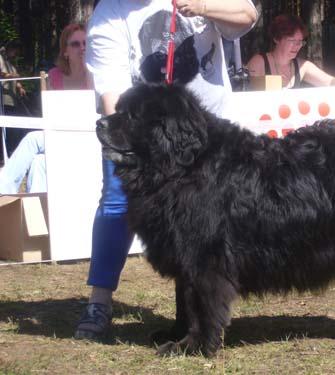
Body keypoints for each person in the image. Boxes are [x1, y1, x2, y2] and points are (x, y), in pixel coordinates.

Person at [74, 0, 257, 341]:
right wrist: (128, 138)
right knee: (116, 203)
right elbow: (111, 90)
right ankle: (99, 302)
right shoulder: (109, 13)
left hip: (208, 135)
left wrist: (204, 7)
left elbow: (247, 16)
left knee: (201, 239)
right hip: (146, 133)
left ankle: (196, 324)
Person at [0, 23, 92, 194]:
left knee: (32, 139)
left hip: (91, 137)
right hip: (61, 135)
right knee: (39, 162)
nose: (82, 48)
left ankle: (2, 189)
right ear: (65, 51)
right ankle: (39, 214)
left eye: (86, 43)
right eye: (75, 44)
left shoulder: (96, 74)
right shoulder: (55, 76)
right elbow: (51, 116)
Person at [246, 15, 335, 89]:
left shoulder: (302, 66)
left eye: (300, 41)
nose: (298, 46)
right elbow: (246, 92)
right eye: (292, 41)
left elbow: (330, 82)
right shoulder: (259, 62)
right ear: (276, 39)